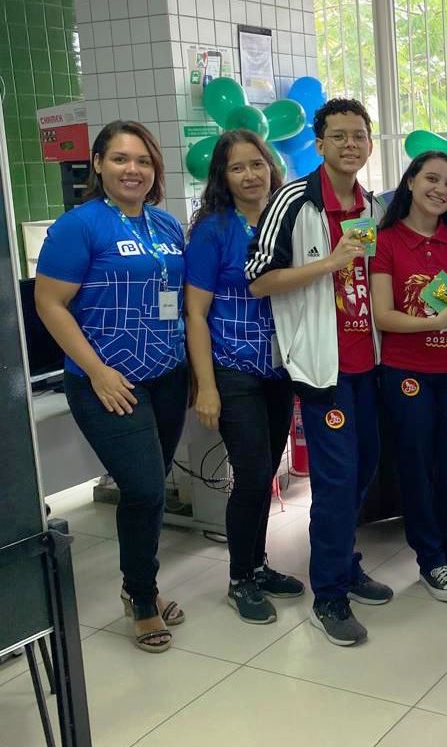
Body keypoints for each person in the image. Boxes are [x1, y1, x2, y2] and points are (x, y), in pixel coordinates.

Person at [244, 99, 392, 647]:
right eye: (340, 136)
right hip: (320, 368)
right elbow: (258, 280)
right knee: (334, 481)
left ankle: (344, 562)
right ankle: (329, 594)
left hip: (368, 362)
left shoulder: (371, 206)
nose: (351, 145)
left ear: (369, 144)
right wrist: (328, 263)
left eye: (360, 136)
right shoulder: (293, 200)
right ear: (320, 142)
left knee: (365, 468)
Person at [35, 120, 187, 653]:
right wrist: (98, 372)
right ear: (98, 164)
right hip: (107, 382)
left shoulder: (167, 226)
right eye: (121, 159)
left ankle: (140, 583)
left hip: (167, 376)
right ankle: (141, 597)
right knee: (144, 488)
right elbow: (49, 304)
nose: (133, 169)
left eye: (143, 160)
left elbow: (175, 301)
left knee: (155, 487)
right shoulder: (78, 226)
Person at [184, 129, 303, 625]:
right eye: (238, 168)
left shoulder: (286, 220)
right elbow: (195, 313)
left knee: (266, 472)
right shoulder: (213, 230)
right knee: (252, 475)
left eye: (257, 164)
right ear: (223, 177)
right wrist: (206, 386)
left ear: (271, 166)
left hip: (280, 367)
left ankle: (258, 564)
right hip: (233, 370)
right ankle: (239, 579)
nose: (250, 175)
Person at [370, 151, 447, 602]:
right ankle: (430, 559)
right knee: (417, 463)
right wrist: (432, 323)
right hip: (408, 372)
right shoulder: (386, 242)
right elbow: (383, 315)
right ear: (410, 182)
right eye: (431, 179)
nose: (440, 190)